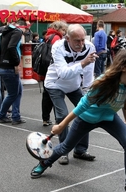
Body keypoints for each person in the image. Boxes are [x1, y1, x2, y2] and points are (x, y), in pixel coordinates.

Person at [30, 49, 126, 192]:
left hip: (109, 118)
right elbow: (83, 105)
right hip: (87, 117)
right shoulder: (105, 81)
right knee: (65, 147)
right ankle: (45, 162)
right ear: (122, 66)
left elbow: (125, 103)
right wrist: (62, 124)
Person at [44, 24, 97, 165]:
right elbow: (63, 73)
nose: (81, 44)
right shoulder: (58, 47)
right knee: (62, 115)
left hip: (74, 85)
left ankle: (80, 150)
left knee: (86, 113)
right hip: (55, 84)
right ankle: (63, 151)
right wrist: (83, 63)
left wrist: (87, 89)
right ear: (67, 38)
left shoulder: (90, 47)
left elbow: (88, 71)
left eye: (82, 40)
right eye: (77, 41)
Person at [0, 19, 27, 125]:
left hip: (3, 65)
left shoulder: (5, 31)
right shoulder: (17, 32)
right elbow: (11, 47)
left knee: (17, 92)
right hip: (9, 66)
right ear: (23, 26)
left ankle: (15, 116)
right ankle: (2, 115)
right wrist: (16, 62)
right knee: (13, 94)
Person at [41, 21, 67, 127]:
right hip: (53, 70)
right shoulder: (57, 38)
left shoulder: (48, 36)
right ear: (58, 29)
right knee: (57, 95)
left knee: (46, 96)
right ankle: (59, 119)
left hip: (46, 69)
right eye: (63, 30)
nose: (65, 32)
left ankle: (45, 118)